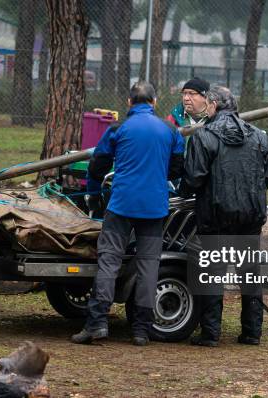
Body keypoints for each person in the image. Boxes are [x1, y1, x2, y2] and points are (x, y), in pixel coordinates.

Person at [71, 82, 185, 346]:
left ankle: (97, 323)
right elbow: (178, 168)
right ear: (155, 102)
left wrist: (95, 192)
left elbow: (98, 164)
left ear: (129, 102)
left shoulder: (118, 129)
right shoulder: (170, 130)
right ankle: (141, 330)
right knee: (148, 266)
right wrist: (157, 177)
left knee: (109, 262)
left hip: (121, 204)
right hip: (155, 207)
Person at [179, 86, 268, 346]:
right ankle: (252, 332)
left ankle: (211, 333)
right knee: (250, 275)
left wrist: (183, 189)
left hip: (215, 216)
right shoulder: (259, 136)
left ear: (212, 105)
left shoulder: (204, 136)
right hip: (251, 216)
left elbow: (194, 178)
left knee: (212, 274)